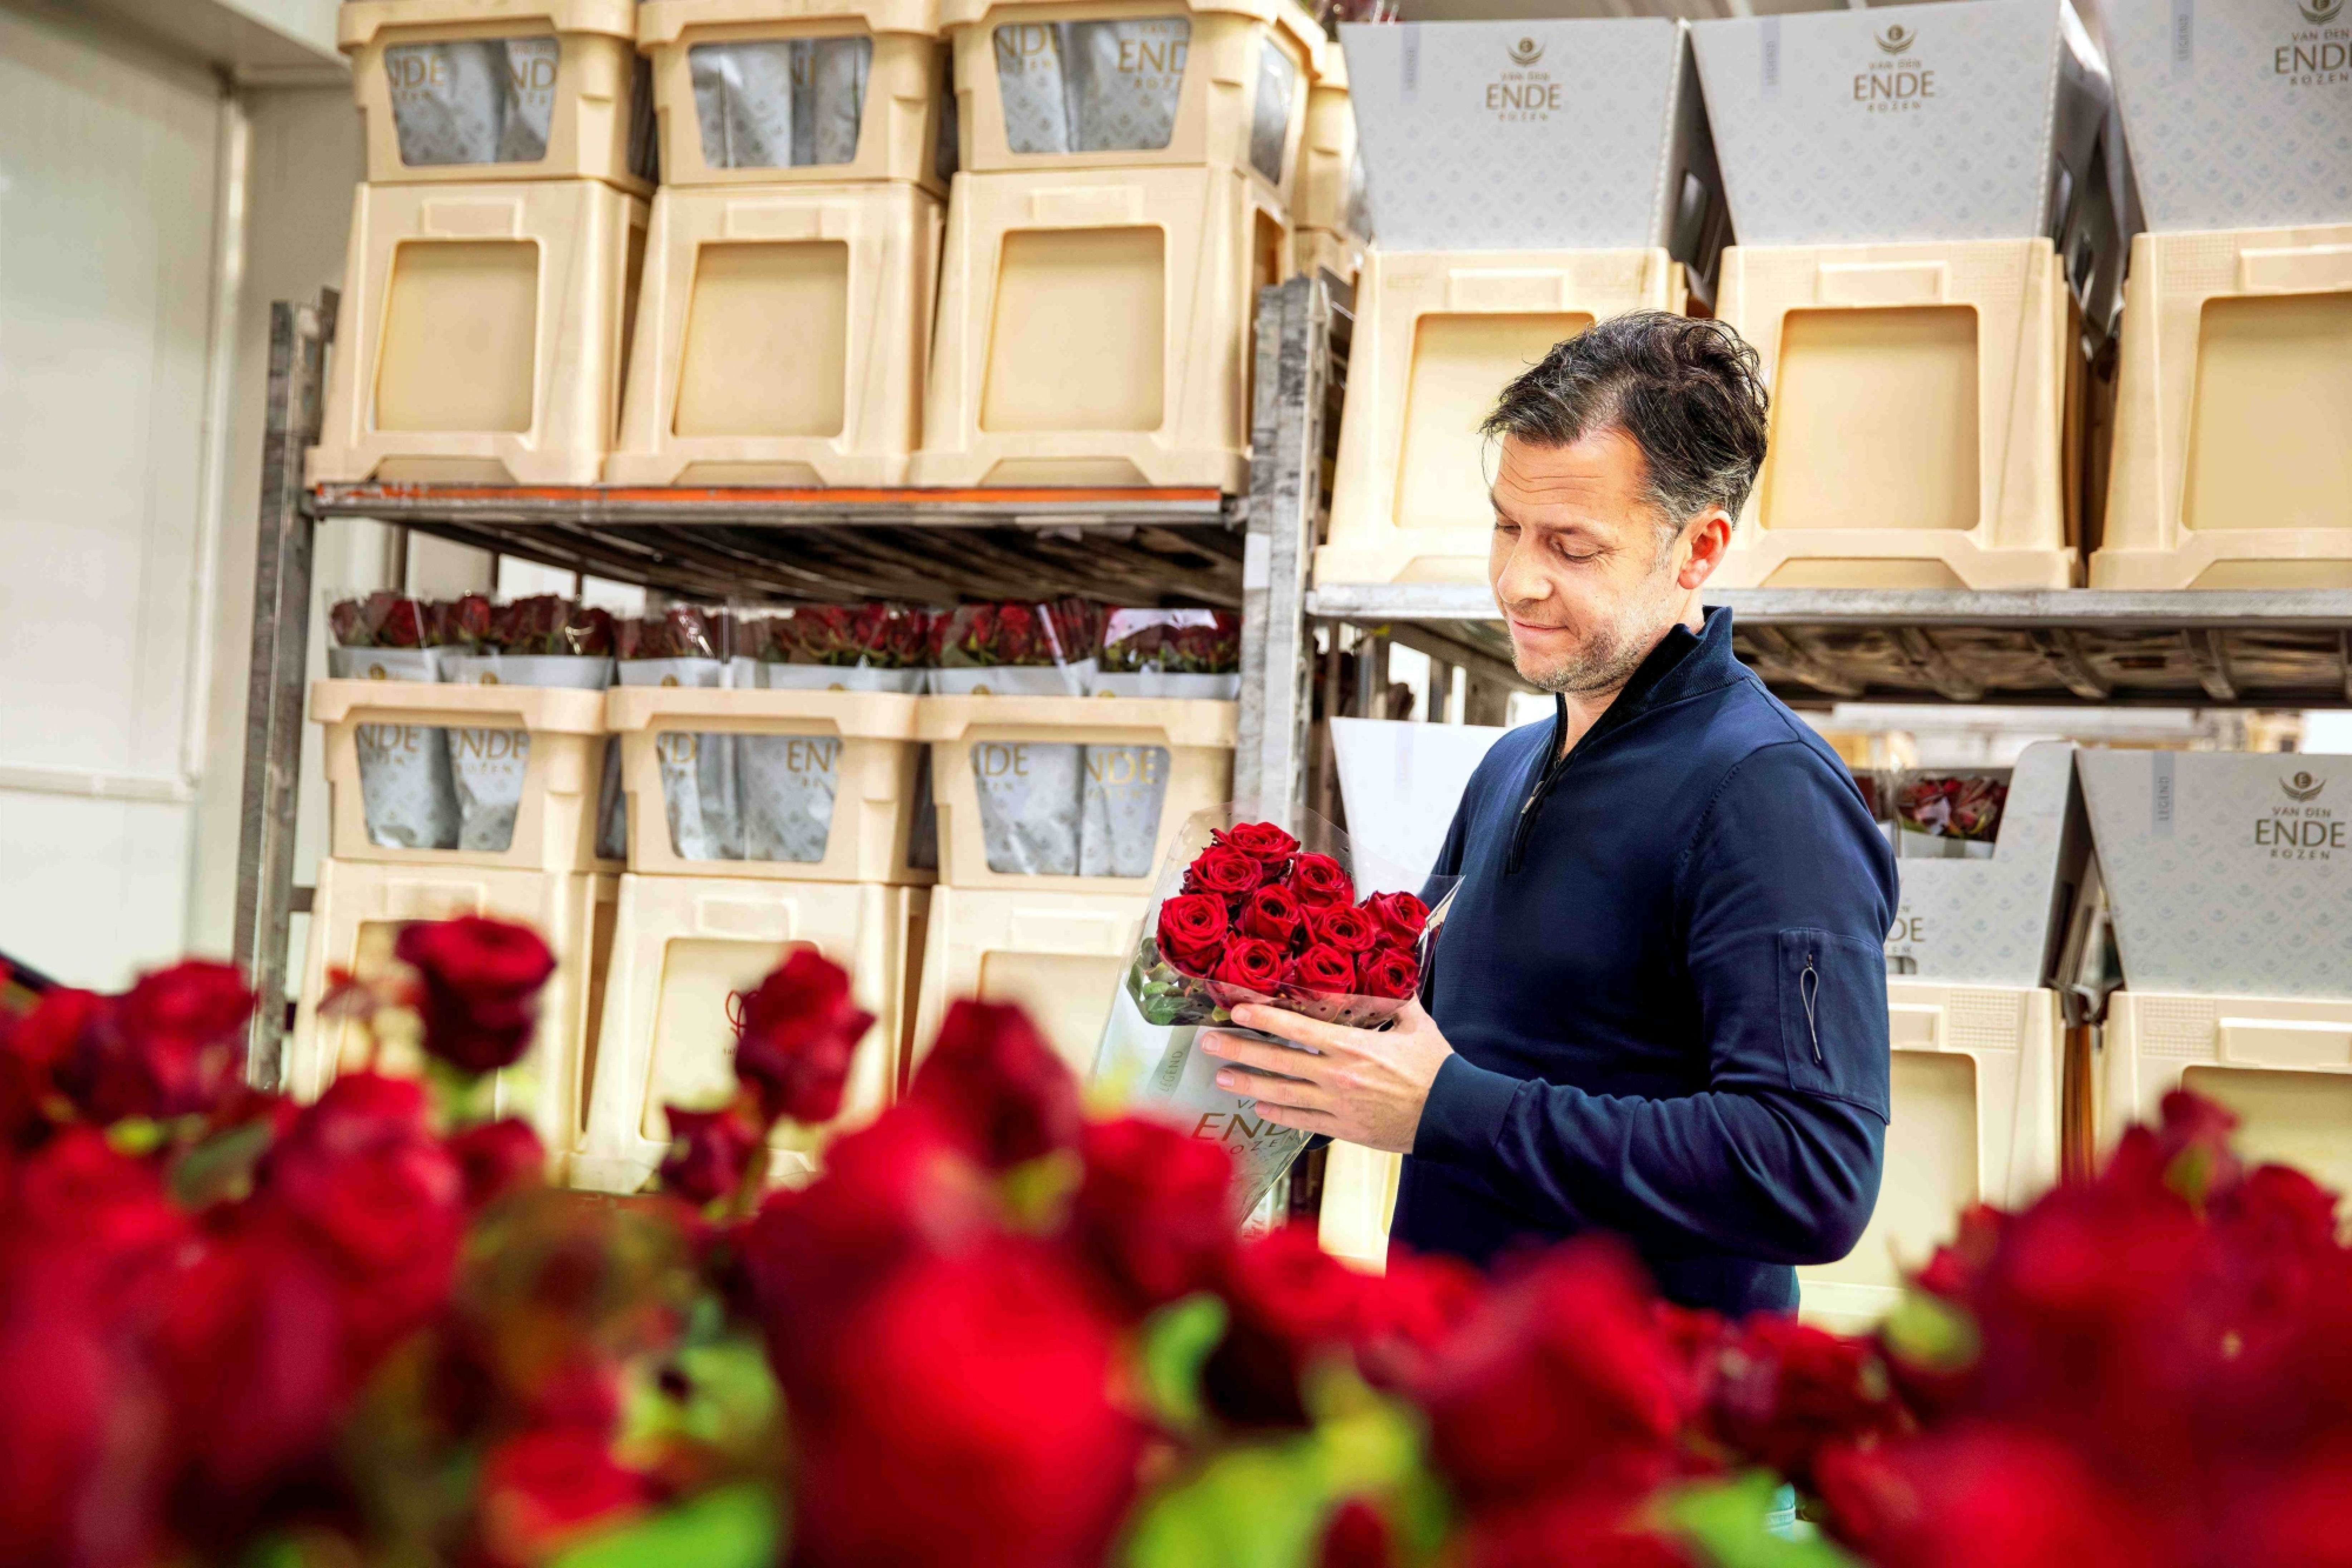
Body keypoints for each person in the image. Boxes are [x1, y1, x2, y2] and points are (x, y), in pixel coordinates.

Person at [1201, 311, 1896, 1317]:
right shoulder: (1510, 766)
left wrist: (1450, 1108)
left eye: (1572, 546)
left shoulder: (1766, 794)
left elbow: (1810, 1174)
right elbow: (1444, 1050)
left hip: (1650, 1453)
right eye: (1506, 527)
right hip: (1463, 1415)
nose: (1518, 580)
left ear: (1698, 548)